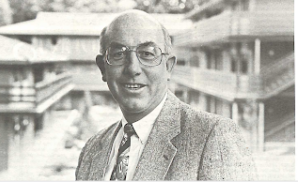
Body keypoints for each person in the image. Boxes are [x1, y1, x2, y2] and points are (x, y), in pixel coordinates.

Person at [75, 10, 257, 181]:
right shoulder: (92, 150)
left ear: (168, 66)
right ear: (103, 68)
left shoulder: (213, 136)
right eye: (118, 54)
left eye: (147, 54)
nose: (132, 68)